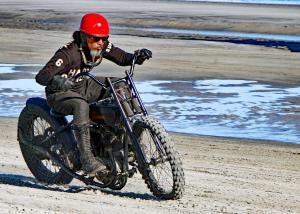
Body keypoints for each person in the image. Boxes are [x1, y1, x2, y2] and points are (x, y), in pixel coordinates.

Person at [35, 13, 152, 176]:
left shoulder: (102, 46)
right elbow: (41, 77)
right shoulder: (67, 54)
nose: (100, 43)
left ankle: (131, 142)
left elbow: (123, 57)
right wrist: (59, 81)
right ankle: (87, 160)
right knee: (80, 105)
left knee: (120, 85)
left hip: (83, 86)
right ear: (84, 36)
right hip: (59, 94)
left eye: (103, 39)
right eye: (96, 39)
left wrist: (137, 57)